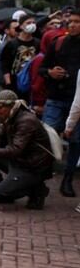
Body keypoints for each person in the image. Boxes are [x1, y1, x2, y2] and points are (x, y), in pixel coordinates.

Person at [0, 90, 54, 209]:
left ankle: (37, 190)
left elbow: (15, 150)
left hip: (33, 167)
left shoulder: (26, 121)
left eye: (1, 107)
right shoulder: (10, 118)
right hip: (19, 161)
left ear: (11, 105)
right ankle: (4, 187)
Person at [39, 10, 80, 197]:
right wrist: (50, 72)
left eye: (77, 22)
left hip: (77, 101)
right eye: (70, 22)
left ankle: (67, 180)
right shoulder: (58, 43)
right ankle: (39, 178)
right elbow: (41, 68)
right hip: (56, 98)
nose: (72, 25)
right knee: (46, 136)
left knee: (76, 142)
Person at [1, 15, 40, 99]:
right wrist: (8, 83)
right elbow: (5, 65)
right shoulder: (12, 44)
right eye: (28, 23)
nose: (32, 25)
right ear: (21, 26)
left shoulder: (37, 43)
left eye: (33, 23)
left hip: (31, 82)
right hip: (15, 82)